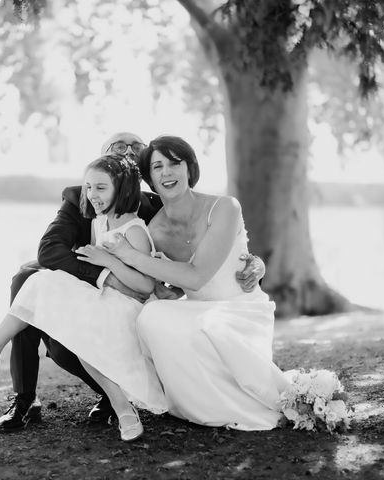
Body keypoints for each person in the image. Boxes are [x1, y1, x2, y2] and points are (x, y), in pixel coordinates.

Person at [0, 132, 265, 435]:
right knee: (27, 278)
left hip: (143, 297)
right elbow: (49, 251)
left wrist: (254, 263)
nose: (127, 150)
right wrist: (106, 277)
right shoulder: (81, 196)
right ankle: (24, 396)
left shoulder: (159, 206)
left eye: (135, 147)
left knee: (58, 300)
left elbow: (204, 255)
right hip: (98, 283)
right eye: (119, 145)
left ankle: (114, 398)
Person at [77, 135, 290, 430]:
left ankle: (237, 403)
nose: (167, 172)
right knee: (153, 316)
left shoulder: (225, 207)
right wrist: (169, 290)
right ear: (149, 178)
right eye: (158, 167)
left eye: (175, 164)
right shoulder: (155, 229)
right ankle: (193, 403)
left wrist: (128, 255)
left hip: (240, 306)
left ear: (189, 168)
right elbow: (173, 282)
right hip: (198, 306)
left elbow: (198, 274)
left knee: (207, 326)